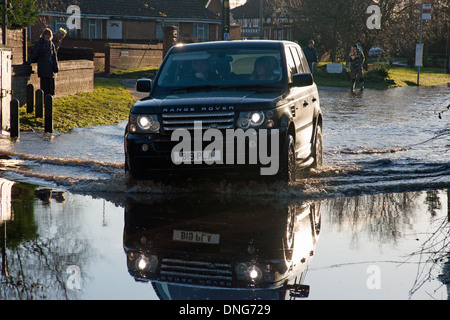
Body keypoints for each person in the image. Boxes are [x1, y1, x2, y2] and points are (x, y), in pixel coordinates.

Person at [24, 28, 59, 96]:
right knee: (44, 86)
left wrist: (55, 67)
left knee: (51, 87)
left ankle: (49, 101)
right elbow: (34, 54)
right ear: (43, 35)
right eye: (46, 35)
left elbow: (54, 57)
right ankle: (44, 100)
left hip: (50, 69)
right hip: (43, 67)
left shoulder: (51, 44)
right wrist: (28, 62)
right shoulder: (40, 43)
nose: (48, 36)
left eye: (49, 35)